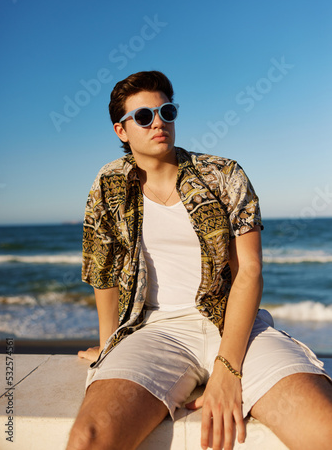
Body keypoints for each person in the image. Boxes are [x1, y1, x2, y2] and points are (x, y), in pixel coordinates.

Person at [67, 71, 332, 450]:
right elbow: (103, 272)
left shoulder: (224, 175)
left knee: (324, 430)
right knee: (88, 438)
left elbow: (250, 272)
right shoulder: (109, 184)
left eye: (166, 111)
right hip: (158, 333)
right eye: (143, 116)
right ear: (121, 131)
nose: (158, 122)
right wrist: (110, 345)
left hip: (237, 327)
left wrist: (227, 367)